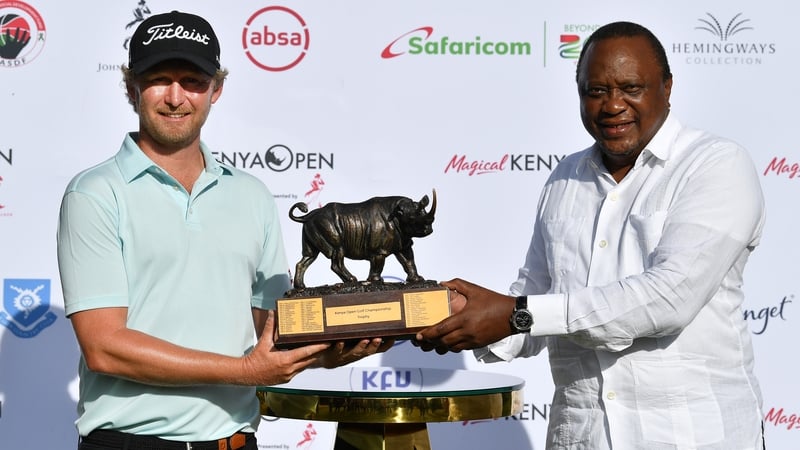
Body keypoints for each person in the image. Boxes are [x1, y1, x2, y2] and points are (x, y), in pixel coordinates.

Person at [416, 21, 766, 449]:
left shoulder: (715, 165)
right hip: (583, 437)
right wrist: (456, 317)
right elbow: (535, 296)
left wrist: (514, 313)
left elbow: (669, 298)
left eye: (631, 88)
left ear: (667, 87)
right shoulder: (565, 179)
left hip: (690, 437)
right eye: (595, 91)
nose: (612, 105)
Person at [57, 11, 390, 450]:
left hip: (235, 443)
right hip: (131, 442)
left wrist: (328, 351)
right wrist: (247, 372)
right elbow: (105, 346)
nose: (176, 97)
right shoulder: (95, 193)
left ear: (217, 89)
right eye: (159, 78)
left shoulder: (251, 194)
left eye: (193, 81)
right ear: (131, 87)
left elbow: (271, 330)